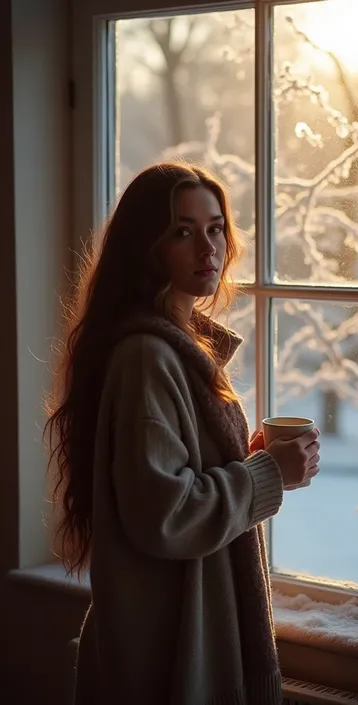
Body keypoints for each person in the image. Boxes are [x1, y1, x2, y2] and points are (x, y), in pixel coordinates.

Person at [45, 162, 320, 705]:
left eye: (215, 228)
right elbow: (165, 514)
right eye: (183, 231)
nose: (207, 248)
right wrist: (266, 476)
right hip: (167, 652)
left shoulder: (174, 347)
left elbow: (170, 477)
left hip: (175, 636)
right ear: (147, 247)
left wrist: (250, 461)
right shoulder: (149, 355)